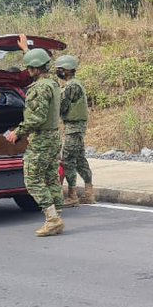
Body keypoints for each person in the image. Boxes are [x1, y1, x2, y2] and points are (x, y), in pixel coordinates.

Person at [4, 48, 65, 237]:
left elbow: (36, 118)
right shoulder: (53, 84)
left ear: (36, 68)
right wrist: (27, 50)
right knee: (50, 177)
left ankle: (52, 220)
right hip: (54, 136)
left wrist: (18, 132)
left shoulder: (39, 88)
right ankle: (57, 216)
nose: (28, 70)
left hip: (42, 139)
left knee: (32, 179)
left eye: (30, 67)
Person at [55, 55, 94, 208]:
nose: (58, 72)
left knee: (68, 161)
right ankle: (89, 192)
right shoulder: (77, 84)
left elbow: (61, 106)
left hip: (73, 128)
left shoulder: (71, 86)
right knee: (80, 160)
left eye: (60, 70)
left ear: (66, 70)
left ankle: (72, 195)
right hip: (77, 128)